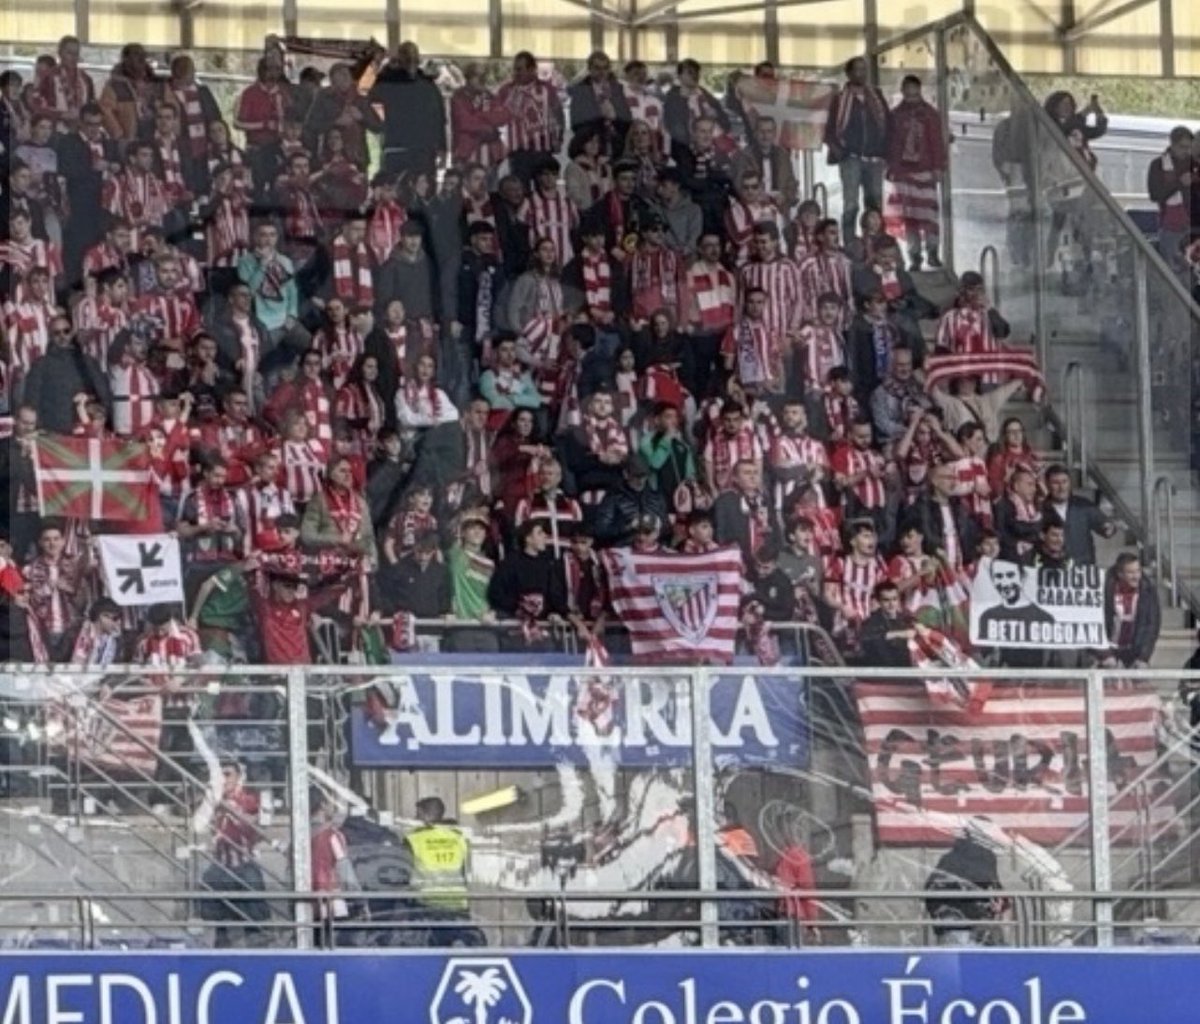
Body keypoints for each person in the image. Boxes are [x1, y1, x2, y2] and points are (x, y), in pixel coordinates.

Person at [199, 760, 270, 948]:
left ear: (238, 777)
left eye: (228, 774)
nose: (223, 779)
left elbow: (260, 827)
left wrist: (236, 812)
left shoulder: (249, 800)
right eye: (220, 775)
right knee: (219, 926)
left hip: (243, 864)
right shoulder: (211, 801)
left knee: (254, 924)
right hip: (221, 864)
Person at [885, 75, 947, 270]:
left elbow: (937, 142)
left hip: (925, 171)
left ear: (920, 91)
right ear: (903, 91)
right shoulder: (895, 115)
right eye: (909, 93)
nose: (912, 97)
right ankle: (914, 256)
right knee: (909, 217)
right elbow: (892, 145)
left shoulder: (930, 114)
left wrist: (938, 167)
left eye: (916, 93)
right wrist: (892, 168)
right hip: (904, 173)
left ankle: (932, 252)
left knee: (929, 216)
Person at [824, 57, 888, 242]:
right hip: (850, 158)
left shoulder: (876, 96)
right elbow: (828, 129)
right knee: (851, 204)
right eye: (857, 69)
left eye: (864, 69)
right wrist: (840, 151)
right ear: (849, 73)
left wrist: (885, 153)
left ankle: (876, 243)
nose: (862, 73)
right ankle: (850, 243)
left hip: (874, 159)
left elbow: (888, 124)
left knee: (875, 203)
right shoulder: (839, 99)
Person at [404, 796, 479, 947]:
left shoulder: (413, 838)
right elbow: (468, 870)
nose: (415, 818)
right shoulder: (459, 837)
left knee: (430, 952)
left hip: (427, 905)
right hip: (457, 903)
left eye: (417, 814)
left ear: (425, 815)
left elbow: (404, 871)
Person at [369, 41, 446, 182]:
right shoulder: (388, 82)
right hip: (397, 147)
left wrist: (442, 147)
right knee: (396, 192)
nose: (411, 63)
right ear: (399, 60)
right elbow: (363, 90)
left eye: (413, 59)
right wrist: (382, 67)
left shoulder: (428, 86)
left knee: (423, 193)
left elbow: (439, 118)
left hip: (424, 150)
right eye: (407, 59)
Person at [924, 825, 1004, 947]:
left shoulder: (951, 858)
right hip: (961, 922)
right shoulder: (984, 857)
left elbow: (931, 890)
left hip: (965, 922)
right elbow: (995, 889)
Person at [310, 787, 361, 948]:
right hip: (332, 903)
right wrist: (360, 900)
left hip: (307, 904)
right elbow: (344, 870)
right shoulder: (332, 835)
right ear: (323, 805)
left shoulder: (299, 835)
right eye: (334, 803)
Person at [1042, 463, 1116, 566]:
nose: (1061, 487)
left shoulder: (1083, 506)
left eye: (1064, 482)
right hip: (1052, 570)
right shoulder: (1040, 509)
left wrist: (1109, 528)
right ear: (1047, 484)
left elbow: (1105, 526)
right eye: (1056, 483)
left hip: (1082, 569)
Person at [1147, 126, 1195, 276]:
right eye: (1182, 147)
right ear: (1172, 144)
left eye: (1189, 147)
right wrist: (1179, 184)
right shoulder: (1158, 165)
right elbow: (1155, 194)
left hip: (1193, 225)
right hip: (1170, 227)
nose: (1186, 151)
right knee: (1171, 272)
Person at [978, 557, 1054, 647]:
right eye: (999, 576)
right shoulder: (987, 617)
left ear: (1023, 577)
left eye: (1010, 575)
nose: (1005, 583)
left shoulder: (1044, 618)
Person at [1102, 552, 1160, 669]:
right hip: (1108, 651)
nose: (1136, 576)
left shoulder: (1148, 591)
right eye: (1130, 572)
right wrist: (1105, 655)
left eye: (1138, 571)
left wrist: (1143, 657)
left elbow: (1152, 626)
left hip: (1135, 652)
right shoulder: (1104, 590)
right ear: (1120, 574)